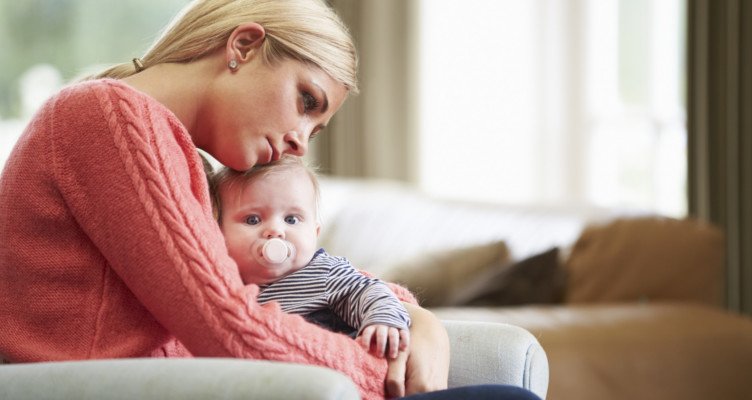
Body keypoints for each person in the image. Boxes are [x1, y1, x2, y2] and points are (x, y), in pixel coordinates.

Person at [0, 0, 540, 399]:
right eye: (307, 100)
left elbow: (285, 279)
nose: (301, 142)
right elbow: (227, 324)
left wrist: (411, 316)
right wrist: (381, 370)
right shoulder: (107, 118)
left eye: (317, 125)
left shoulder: (177, 156)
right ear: (243, 45)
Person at [209, 156, 410, 359]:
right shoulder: (224, 284)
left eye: (291, 219)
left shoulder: (324, 272)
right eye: (253, 219)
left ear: (315, 232)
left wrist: (381, 320)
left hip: (336, 372)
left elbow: (368, 290)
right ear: (219, 231)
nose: (275, 230)